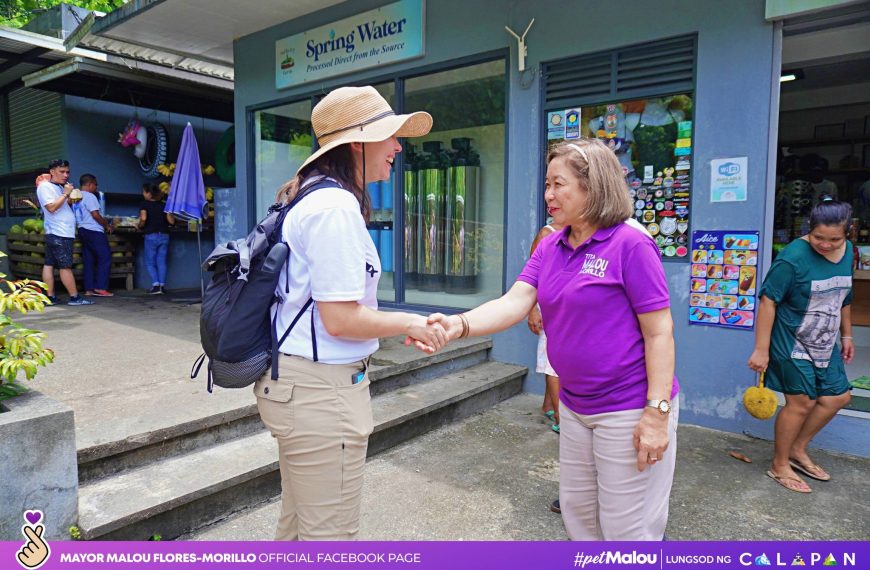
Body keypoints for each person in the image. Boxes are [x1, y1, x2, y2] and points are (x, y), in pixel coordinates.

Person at [426, 138, 679, 541]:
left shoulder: (630, 243)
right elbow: (515, 300)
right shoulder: (552, 245)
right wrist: (458, 326)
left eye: (558, 184)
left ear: (592, 186)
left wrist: (657, 413)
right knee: (579, 515)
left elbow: (659, 331)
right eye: (546, 185)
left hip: (628, 407)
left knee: (627, 528)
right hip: (576, 405)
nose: (548, 195)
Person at [256, 85, 448, 541]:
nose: (398, 146)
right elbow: (339, 318)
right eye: (390, 135)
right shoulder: (335, 206)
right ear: (357, 143)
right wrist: (411, 322)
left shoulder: (311, 196)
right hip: (321, 394)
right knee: (330, 538)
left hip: (301, 387)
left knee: (299, 527)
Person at [748, 199, 855, 494]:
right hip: (790, 339)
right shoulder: (792, 257)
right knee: (802, 402)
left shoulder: (848, 253)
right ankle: (779, 463)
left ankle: (797, 448)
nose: (825, 244)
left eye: (835, 239)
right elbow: (768, 300)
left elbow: (844, 298)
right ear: (810, 229)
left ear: (849, 233)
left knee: (838, 397)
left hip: (825, 339)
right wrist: (761, 348)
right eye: (819, 237)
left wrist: (846, 336)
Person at [35, 159, 93, 306]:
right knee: (65, 266)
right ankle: (74, 297)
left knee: (49, 264)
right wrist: (66, 194)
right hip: (59, 232)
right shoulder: (45, 187)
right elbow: (51, 208)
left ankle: (50, 296)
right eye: (62, 172)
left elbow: (60, 205)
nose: (66, 175)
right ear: (52, 172)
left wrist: (71, 198)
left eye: (67, 172)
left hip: (59, 231)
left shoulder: (59, 187)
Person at [527, 221, 563, 434]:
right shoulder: (547, 234)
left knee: (558, 359)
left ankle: (548, 405)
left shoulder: (579, 232)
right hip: (549, 308)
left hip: (565, 308)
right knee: (553, 363)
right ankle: (561, 418)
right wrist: (532, 310)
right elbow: (531, 277)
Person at [75, 174, 114, 297]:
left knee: (89, 260)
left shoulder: (76, 197)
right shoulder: (90, 196)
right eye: (96, 184)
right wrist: (107, 225)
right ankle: (101, 287)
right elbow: (95, 215)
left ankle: (89, 289)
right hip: (94, 231)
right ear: (90, 184)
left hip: (82, 230)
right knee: (105, 258)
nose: (96, 187)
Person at [138, 183, 175, 295]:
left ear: (149, 193)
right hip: (164, 235)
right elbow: (171, 221)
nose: (143, 194)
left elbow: (143, 218)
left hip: (151, 235)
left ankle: (155, 285)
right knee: (161, 261)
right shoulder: (164, 205)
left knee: (150, 262)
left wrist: (139, 225)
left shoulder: (144, 204)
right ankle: (162, 287)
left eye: (144, 192)